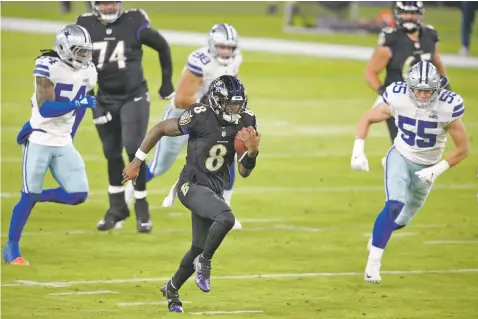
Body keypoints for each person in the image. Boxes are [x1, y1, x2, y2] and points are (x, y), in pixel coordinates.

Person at [122, 75, 260, 312]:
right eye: (230, 104)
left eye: (238, 104)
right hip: (192, 184)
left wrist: (253, 152)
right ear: (217, 101)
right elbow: (160, 128)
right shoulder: (200, 115)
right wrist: (137, 162)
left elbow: (243, 171)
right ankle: (205, 263)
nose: (235, 109)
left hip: (214, 187)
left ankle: (172, 289)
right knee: (226, 218)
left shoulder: (246, 120)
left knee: (198, 245)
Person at [351, 61, 469, 283]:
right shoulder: (398, 96)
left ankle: (378, 235)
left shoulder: (448, 106)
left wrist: (437, 169)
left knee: (403, 219)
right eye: (419, 90)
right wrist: (358, 151)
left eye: (428, 91)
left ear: (437, 88)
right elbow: (368, 117)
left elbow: (463, 149)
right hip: (401, 157)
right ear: (409, 86)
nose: (423, 95)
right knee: (394, 205)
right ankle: (373, 263)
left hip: (428, 165)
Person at [127, 23, 245, 229]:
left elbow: (235, 82)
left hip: (213, 118)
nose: (226, 51)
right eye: (221, 46)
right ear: (212, 44)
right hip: (185, 116)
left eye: (229, 47)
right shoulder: (201, 61)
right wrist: (214, 110)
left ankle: (225, 208)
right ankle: (127, 193)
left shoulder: (236, 59)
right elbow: (182, 99)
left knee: (227, 156)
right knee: (159, 165)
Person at [76, 1, 175, 233]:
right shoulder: (85, 25)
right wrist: (91, 99)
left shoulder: (134, 21)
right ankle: (116, 208)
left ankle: (142, 208)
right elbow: (78, 65)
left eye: (113, 2)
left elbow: (161, 45)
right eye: (104, 2)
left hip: (134, 96)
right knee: (111, 153)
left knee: (134, 149)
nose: (109, 7)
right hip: (105, 98)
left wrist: (167, 82)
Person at [3, 24, 97, 265]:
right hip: (40, 137)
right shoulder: (48, 66)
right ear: (65, 49)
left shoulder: (89, 71)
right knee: (27, 194)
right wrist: (78, 104)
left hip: (62, 140)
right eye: (79, 51)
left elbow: (83, 107)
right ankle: (11, 247)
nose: (84, 56)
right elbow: (46, 107)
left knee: (78, 194)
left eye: (86, 51)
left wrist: (71, 134)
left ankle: (37, 197)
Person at [364, 1, 449, 143]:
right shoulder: (391, 39)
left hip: (425, 99)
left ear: (420, 14)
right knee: (402, 144)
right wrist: (383, 91)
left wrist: (446, 90)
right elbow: (370, 72)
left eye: (413, 13)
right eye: (405, 12)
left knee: (425, 146)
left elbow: (438, 64)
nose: (409, 17)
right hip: (400, 101)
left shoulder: (430, 35)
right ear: (398, 13)